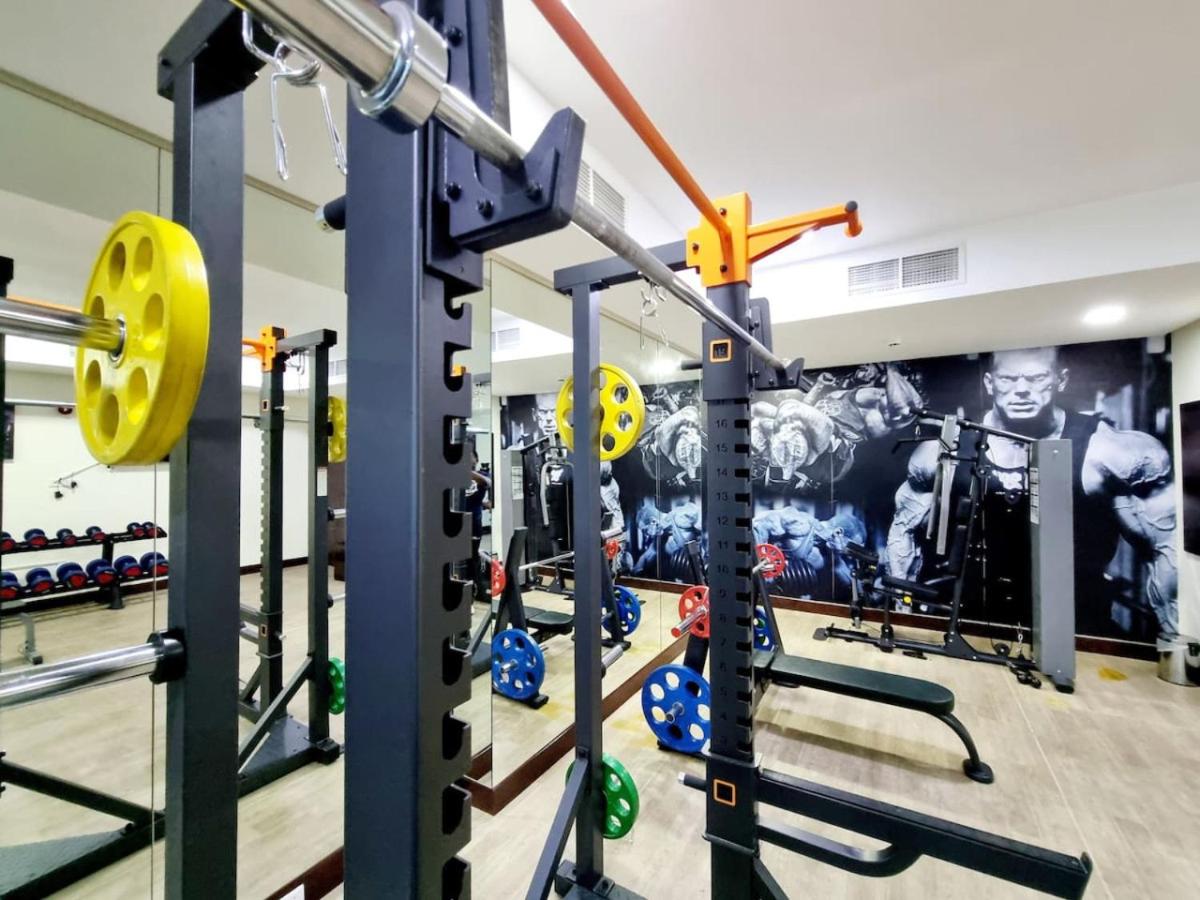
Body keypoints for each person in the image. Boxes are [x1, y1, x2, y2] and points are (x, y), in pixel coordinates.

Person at [886, 346, 1177, 637]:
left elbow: (1164, 550)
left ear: (1060, 380)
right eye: (1008, 379)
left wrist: (1173, 644)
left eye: (1037, 378)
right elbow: (904, 531)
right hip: (971, 626)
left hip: (1076, 630)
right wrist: (902, 618)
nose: (1021, 390)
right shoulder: (944, 450)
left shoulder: (1108, 452)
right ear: (990, 383)